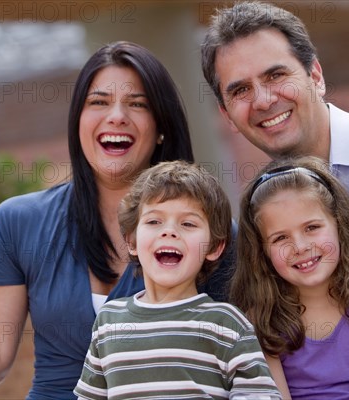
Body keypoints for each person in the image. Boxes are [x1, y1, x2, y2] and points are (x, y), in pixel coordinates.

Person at [0, 41, 234, 399]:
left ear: (161, 128)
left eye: (137, 104)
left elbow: (236, 363)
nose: (117, 116)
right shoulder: (21, 221)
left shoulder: (211, 236)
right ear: (78, 120)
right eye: (99, 102)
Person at [200, 1, 349, 267]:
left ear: (315, 77)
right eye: (241, 90)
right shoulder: (261, 218)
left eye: (276, 75)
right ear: (227, 116)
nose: (263, 101)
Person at [74, 160, 281, 399]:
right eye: (154, 221)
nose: (169, 231)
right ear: (131, 240)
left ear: (214, 246)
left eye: (188, 223)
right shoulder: (109, 322)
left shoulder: (227, 324)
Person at [230, 156, 349, 399]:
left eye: (312, 228)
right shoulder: (260, 321)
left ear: (340, 224)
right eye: (280, 238)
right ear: (261, 250)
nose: (299, 246)